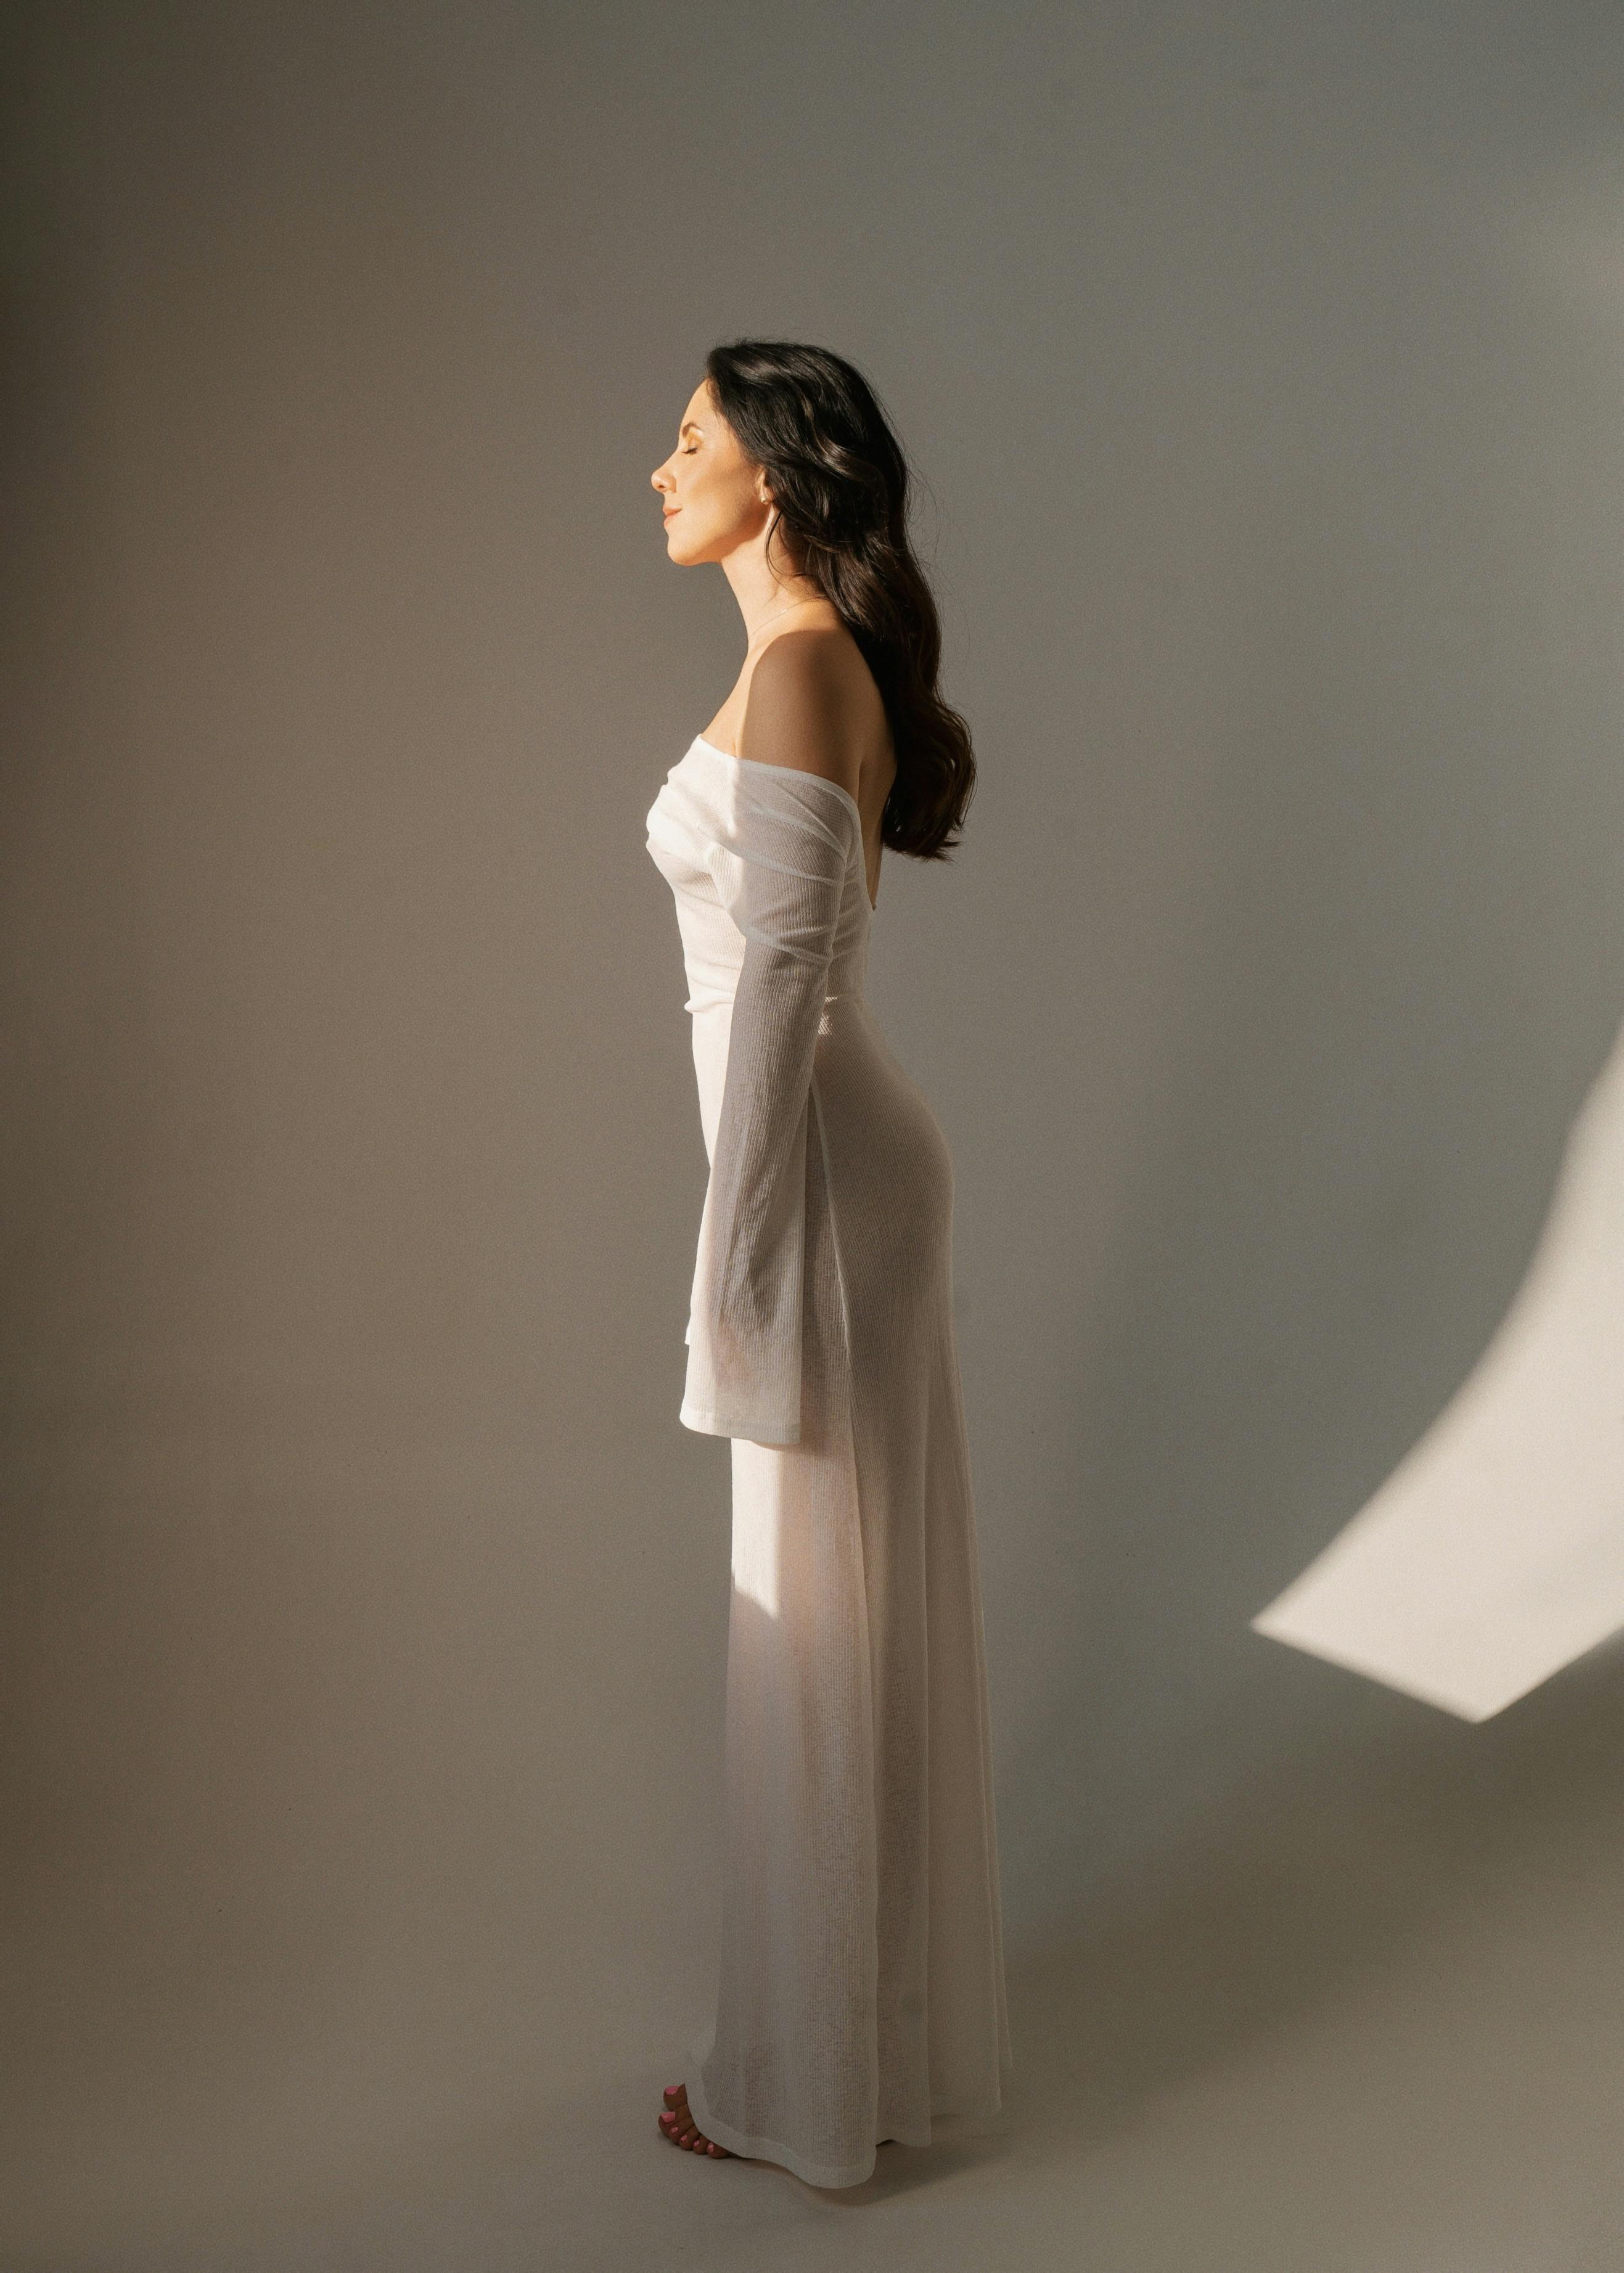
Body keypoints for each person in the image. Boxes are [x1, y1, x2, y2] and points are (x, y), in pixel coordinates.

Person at [644, 339, 1011, 2189]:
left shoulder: (800, 670)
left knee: (811, 1625)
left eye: (690, 438)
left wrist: (738, 1274)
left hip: (823, 1189)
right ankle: (831, 2055)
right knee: (823, 1619)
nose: (658, 467)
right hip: (821, 1178)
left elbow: (784, 993)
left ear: (773, 475)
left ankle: (801, 2086)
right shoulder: (789, 665)